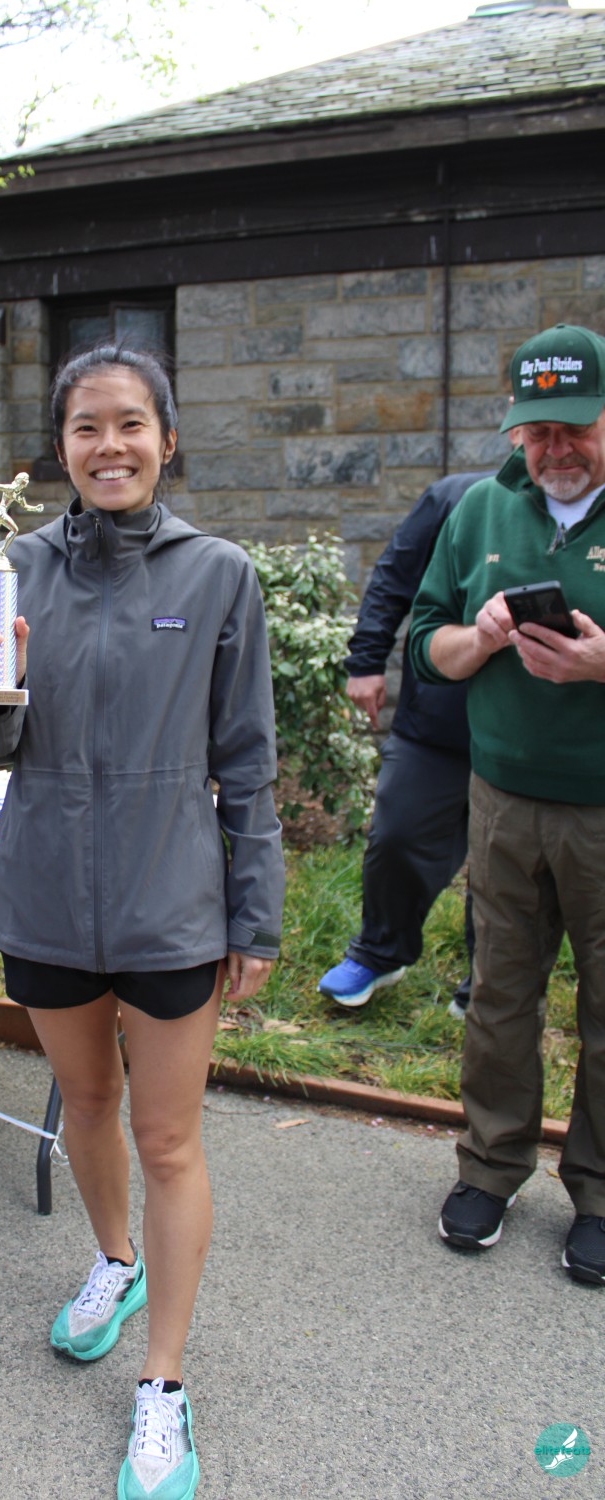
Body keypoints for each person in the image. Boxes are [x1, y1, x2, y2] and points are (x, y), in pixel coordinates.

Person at [0, 344, 284, 1500]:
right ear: (61, 447)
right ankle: (113, 1260)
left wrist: (255, 911)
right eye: (86, 426)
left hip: (169, 902)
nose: (109, 445)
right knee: (86, 1104)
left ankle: (163, 1383)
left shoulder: (216, 574)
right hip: (47, 888)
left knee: (168, 1139)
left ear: (166, 440)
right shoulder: (8, 571)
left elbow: (246, 756)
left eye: (130, 423)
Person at [407, 322, 605, 1285]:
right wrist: (479, 639)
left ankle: (599, 1193)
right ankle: (490, 1168)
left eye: (577, 428)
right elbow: (425, 647)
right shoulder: (482, 509)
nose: (556, 449)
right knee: (499, 994)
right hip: (501, 799)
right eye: (538, 431)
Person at [317, 472, 491, 1015]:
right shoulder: (456, 498)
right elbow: (394, 577)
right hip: (434, 720)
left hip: (530, 734)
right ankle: (380, 952)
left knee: (505, 868)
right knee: (396, 836)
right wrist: (367, 660)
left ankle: (488, 986)